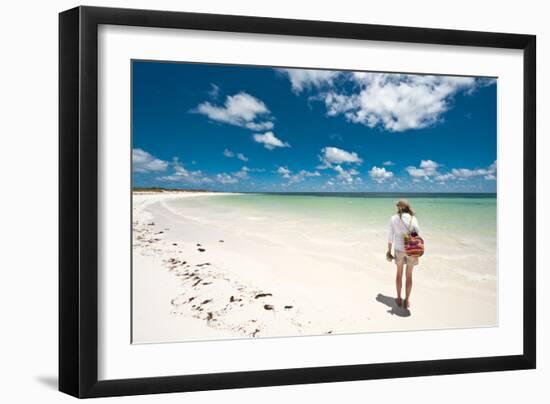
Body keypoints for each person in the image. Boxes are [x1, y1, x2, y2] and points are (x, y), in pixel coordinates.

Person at [386, 199, 420, 309]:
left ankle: (399, 298)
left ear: (400, 207)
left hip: (399, 249)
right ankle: (407, 300)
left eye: (397, 206)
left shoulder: (393, 218)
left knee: (399, 274)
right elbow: (416, 233)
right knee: (409, 275)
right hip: (411, 248)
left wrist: (389, 251)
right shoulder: (413, 218)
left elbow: (391, 236)